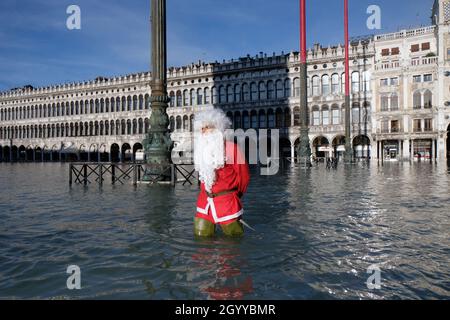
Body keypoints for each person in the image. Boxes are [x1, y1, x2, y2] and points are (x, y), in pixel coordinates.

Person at [193, 108, 250, 237]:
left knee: (233, 245)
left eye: (207, 127)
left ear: (217, 128)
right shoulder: (201, 150)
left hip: (227, 203)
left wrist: (233, 195)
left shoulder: (232, 148)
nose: (204, 131)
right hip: (204, 204)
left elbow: (244, 177)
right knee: (201, 242)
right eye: (202, 128)